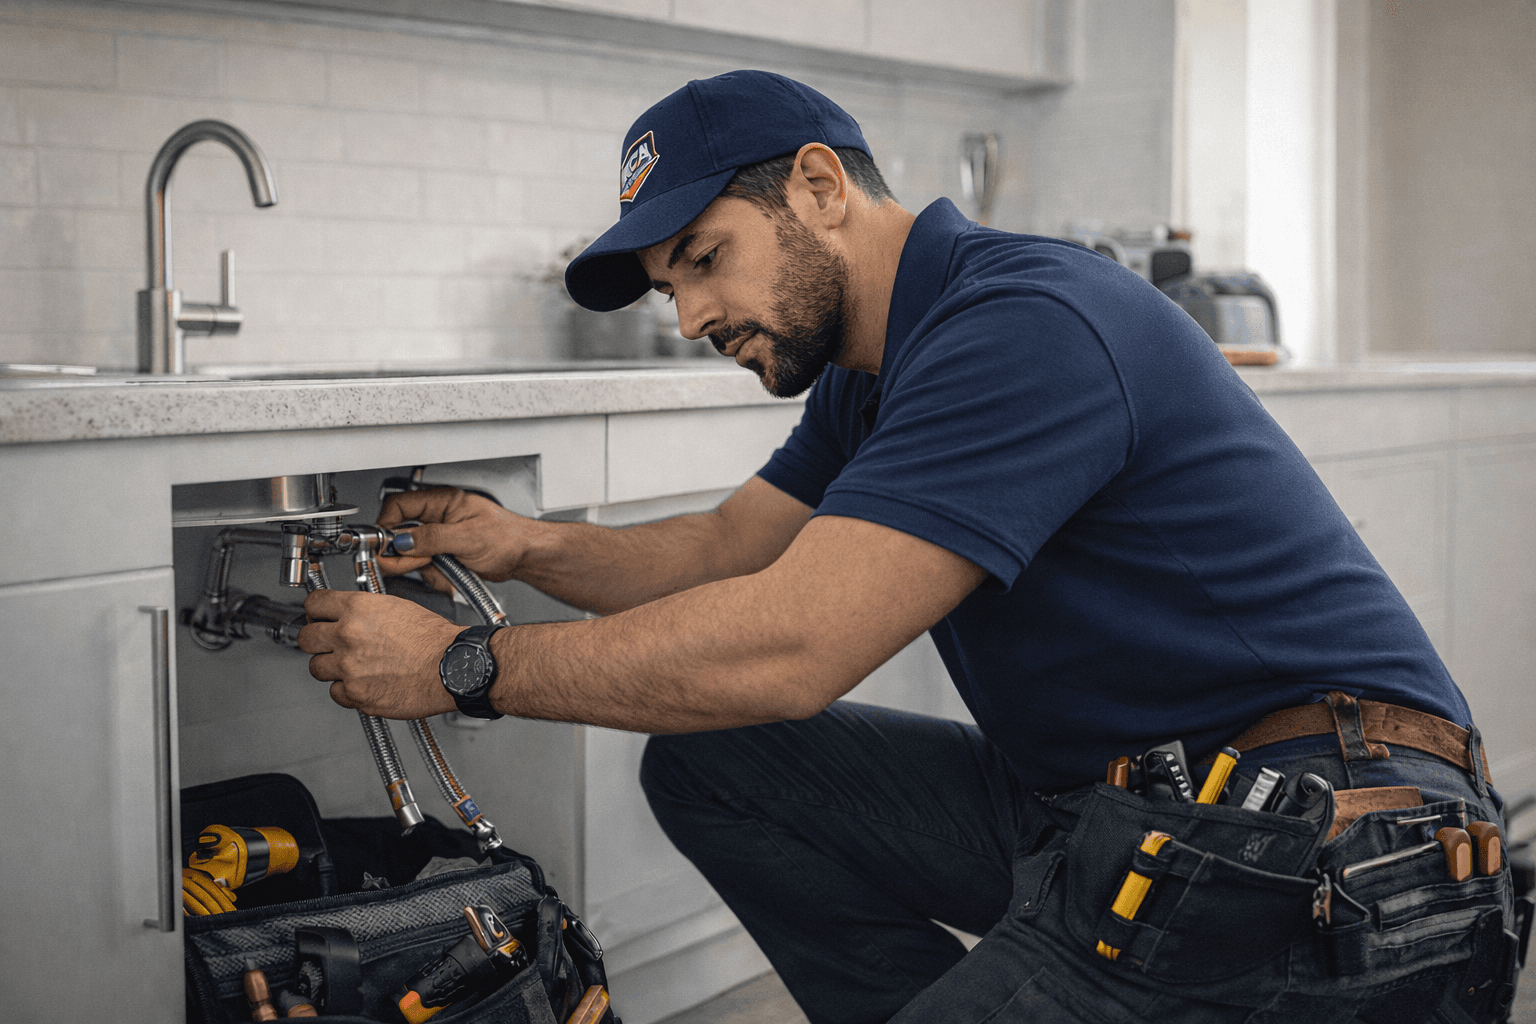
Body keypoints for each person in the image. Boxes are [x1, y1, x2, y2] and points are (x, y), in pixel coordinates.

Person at [298, 71, 1518, 1023]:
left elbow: (791, 645)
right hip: (1119, 813)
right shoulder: (876, 371)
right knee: (717, 765)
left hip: (1327, 847)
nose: (692, 318)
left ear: (822, 185)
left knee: (749, 705)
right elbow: (731, 551)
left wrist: (467, 666)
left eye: (706, 259)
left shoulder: (1024, 322)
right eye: (673, 286)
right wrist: (519, 546)